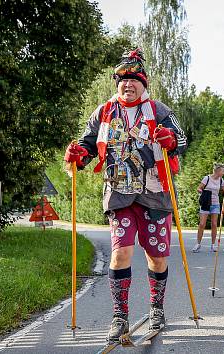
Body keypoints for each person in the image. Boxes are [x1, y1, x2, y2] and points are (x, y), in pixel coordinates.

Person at [63, 49, 187, 343]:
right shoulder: (104, 111)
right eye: (122, 79)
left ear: (143, 84)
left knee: (156, 257)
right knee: (120, 253)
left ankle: (157, 309)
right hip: (119, 194)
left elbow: (181, 139)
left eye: (133, 79)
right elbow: (88, 144)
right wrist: (78, 155)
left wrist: (171, 141)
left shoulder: (159, 111)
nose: (127, 84)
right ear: (116, 83)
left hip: (155, 194)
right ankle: (120, 316)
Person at [193, 163, 224, 252]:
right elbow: (199, 188)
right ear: (218, 171)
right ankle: (198, 244)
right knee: (202, 224)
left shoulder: (221, 180)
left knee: (214, 224)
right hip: (206, 203)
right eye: (223, 171)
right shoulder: (207, 178)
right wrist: (203, 193)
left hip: (215, 204)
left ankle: (213, 245)